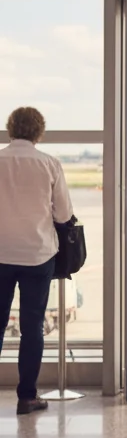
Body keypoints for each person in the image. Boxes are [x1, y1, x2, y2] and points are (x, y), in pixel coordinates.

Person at [0, 107, 73, 415]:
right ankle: (27, 396)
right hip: (37, 255)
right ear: (39, 132)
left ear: (10, 128)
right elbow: (64, 215)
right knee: (32, 328)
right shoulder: (49, 164)